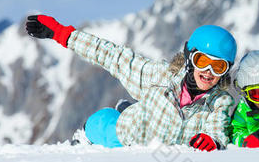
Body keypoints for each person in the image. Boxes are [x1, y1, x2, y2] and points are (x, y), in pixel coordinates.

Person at [25, 15, 237, 151]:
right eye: (203, 61)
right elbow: (112, 56)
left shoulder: (218, 101)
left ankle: (132, 108)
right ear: (189, 57)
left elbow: (218, 125)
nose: (208, 72)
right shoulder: (160, 76)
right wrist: (61, 34)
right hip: (128, 137)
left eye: (218, 67)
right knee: (103, 125)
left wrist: (212, 139)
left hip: (160, 156)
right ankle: (93, 129)